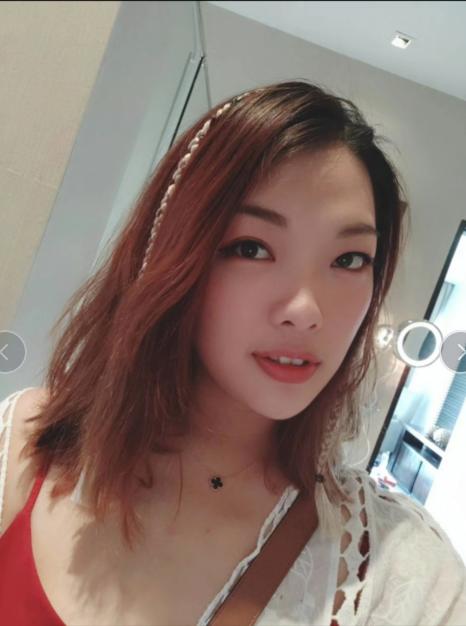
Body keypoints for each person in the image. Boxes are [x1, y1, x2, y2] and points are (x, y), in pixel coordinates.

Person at [0, 80, 465, 626]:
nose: (306, 310)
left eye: (349, 259)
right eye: (252, 248)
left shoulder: (397, 574)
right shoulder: (26, 444)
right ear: (173, 254)